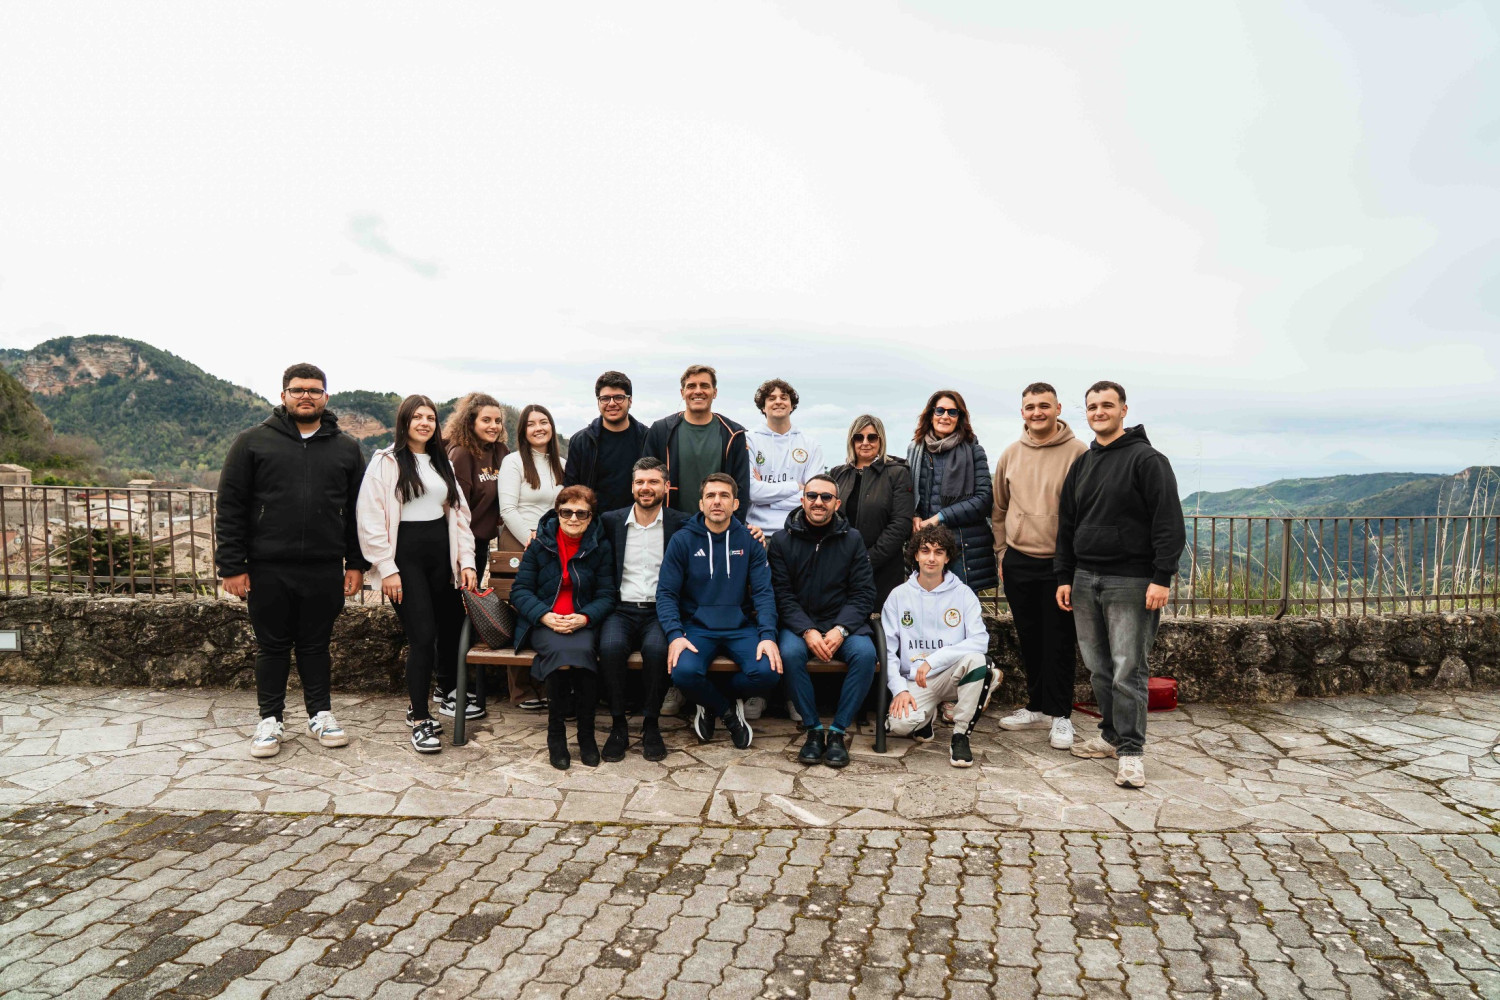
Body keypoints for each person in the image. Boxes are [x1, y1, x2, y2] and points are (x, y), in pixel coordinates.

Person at [217, 363, 369, 759]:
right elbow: (230, 507)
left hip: (323, 566)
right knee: (272, 647)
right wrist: (231, 566)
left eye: (314, 390)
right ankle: (270, 720)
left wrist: (356, 563)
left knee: (316, 646)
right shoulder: (252, 442)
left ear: (325, 397)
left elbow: (359, 512)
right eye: (298, 389)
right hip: (267, 566)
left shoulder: (347, 448)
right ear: (283, 395)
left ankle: (320, 715)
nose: (306, 396)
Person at [1055, 380, 1186, 789]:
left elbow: (1169, 521)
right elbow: (1067, 524)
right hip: (1084, 578)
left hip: (1131, 581)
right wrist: (1064, 575)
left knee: (1129, 670)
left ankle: (1131, 752)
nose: (1099, 412)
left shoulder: (1148, 460)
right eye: (1092, 406)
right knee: (1099, 668)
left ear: (1123, 410)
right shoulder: (1083, 463)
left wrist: (1161, 577)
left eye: (1107, 405)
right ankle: (1110, 736)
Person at [357, 394, 477, 755]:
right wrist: (387, 568)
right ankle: (422, 719)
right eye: (417, 417)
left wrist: (466, 561)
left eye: (430, 417)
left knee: (443, 632)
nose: (424, 423)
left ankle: (421, 704)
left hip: (441, 557)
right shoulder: (386, 462)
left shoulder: (442, 462)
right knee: (422, 637)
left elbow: (460, 516)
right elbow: (370, 517)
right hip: (404, 560)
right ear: (405, 422)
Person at [992, 382, 1089, 751]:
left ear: (1058, 409)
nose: (1037, 412)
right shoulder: (1011, 454)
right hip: (1019, 559)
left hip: (1060, 563)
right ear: (1022, 412)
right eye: (1030, 407)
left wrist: (1074, 564)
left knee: (1060, 640)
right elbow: (999, 509)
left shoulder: (1079, 452)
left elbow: (1085, 510)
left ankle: (1060, 714)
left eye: (1044, 405)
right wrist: (1002, 553)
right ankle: (1036, 707)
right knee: (1029, 637)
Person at [657, 473, 781, 749]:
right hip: (697, 627)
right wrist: (675, 634)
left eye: (724, 496)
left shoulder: (749, 540)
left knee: (768, 671)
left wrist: (767, 636)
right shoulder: (682, 540)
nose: (717, 501)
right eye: (710, 496)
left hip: (740, 627)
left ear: (735, 504)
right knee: (682, 672)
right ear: (701, 503)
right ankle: (725, 711)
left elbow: (763, 593)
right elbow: (666, 593)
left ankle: (712, 698)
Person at [769, 475, 877, 769]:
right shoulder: (781, 541)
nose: (819, 502)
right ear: (802, 500)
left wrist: (841, 629)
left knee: (865, 655)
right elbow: (781, 594)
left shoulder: (852, 539)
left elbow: (864, 593)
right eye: (812, 495)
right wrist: (807, 630)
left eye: (826, 497)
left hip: (842, 623)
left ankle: (839, 731)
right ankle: (814, 729)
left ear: (837, 504)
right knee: (789, 653)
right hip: (799, 624)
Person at [509, 486, 618, 770]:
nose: (573, 518)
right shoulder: (540, 544)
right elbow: (520, 591)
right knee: (562, 656)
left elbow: (607, 594)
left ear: (591, 517)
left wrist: (584, 618)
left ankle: (586, 734)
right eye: (566, 512)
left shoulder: (600, 546)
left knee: (582, 654)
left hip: (582, 621)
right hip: (545, 621)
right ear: (557, 513)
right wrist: (544, 615)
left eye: (581, 513)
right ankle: (556, 734)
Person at [883, 525, 998, 768]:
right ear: (916, 555)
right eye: (925, 551)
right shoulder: (898, 596)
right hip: (916, 679)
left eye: (939, 552)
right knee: (900, 726)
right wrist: (899, 690)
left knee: (979, 662)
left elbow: (980, 640)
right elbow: (888, 651)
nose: (931, 558)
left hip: (950, 674)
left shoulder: (963, 594)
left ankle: (961, 735)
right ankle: (925, 719)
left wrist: (933, 660)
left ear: (947, 558)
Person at [599, 458, 688, 762]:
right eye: (640, 482)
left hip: (660, 611)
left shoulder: (681, 523)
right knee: (610, 649)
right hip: (620, 609)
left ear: (666, 486)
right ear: (632, 487)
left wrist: (751, 531)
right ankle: (618, 726)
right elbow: (571, 523)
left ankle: (651, 724)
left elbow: (718, 526)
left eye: (652, 482)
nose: (645, 488)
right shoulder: (611, 521)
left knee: (657, 650)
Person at [441, 391, 510, 722]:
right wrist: (462, 557)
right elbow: (456, 510)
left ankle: (453, 686)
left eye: (497, 420)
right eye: (486, 420)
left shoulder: (500, 452)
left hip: (481, 544)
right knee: (452, 616)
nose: (493, 426)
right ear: (470, 421)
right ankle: (447, 688)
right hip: (457, 545)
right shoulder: (461, 454)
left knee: (462, 614)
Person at [906, 390, 998, 594]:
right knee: (926, 606)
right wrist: (915, 514)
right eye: (940, 410)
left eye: (952, 412)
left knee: (960, 609)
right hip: (926, 547)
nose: (945, 416)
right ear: (931, 414)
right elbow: (910, 493)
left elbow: (983, 500)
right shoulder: (916, 450)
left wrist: (938, 518)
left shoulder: (973, 450)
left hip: (963, 548)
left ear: (960, 417)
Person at [642, 364, 751, 520]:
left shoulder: (733, 434)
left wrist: (734, 527)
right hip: (671, 525)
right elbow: (647, 480)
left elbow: (741, 488)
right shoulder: (661, 431)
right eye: (691, 386)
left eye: (704, 386)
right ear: (682, 392)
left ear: (715, 392)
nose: (698, 391)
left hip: (717, 525)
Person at [829, 414, 914, 608]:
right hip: (842, 568)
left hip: (884, 569)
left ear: (881, 440)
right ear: (852, 441)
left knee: (881, 621)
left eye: (872, 437)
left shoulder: (897, 473)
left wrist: (867, 559)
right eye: (859, 437)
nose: (865, 442)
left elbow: (900, 523)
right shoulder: (837, 473)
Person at [746, 378, 823, 538]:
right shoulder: (749, 441)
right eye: (771, 398)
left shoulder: (811, 445)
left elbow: (814, 496)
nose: (778, 402)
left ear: (792, 405)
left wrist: (766, 496)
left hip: (798, 532)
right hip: (757, 534)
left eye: (784, 397)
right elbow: (752, 492)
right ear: (763, 407)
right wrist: (796, 487)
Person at [564, 371, 650, 514]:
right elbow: (571, 490)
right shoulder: (581, 441)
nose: (611, 403)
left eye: (618, 398)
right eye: (605, 398)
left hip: (637, 520)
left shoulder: (647, 438)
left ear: (630, 400)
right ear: (598, 402)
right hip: (594, 521)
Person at [499, 403, 564, 546]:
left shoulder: (562, 464)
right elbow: (507, 510)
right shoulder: (513, 462)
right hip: (520, 539)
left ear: (551, 427)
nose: (538, 428)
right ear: (523, 431)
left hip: (553, 540)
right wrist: (532, 541)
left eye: (543, 422)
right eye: (531, 424)